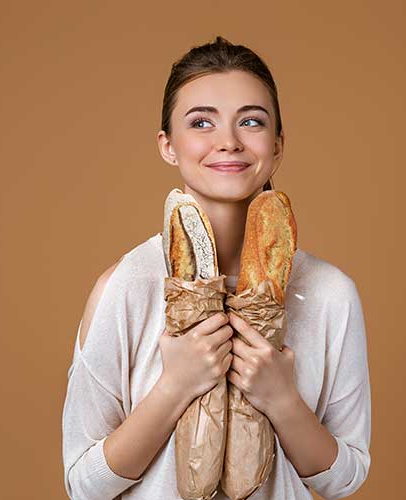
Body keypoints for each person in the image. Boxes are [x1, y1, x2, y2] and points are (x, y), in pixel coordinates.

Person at [62, 36, 371, 500]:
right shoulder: (125, 287)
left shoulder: (329, 294)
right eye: (201, 122)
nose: (228, 142)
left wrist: (283, 400)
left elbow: (343, 479)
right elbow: (84, 484)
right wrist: (175, 388)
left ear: (278, 143)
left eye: (251, 121)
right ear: (168, 145)